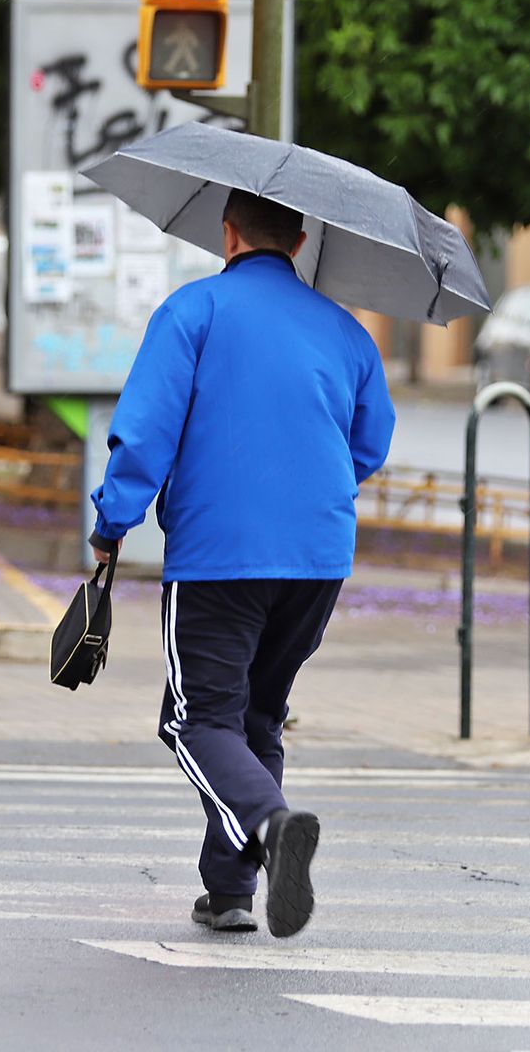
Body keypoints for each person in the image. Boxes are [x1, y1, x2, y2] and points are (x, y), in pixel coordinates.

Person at [89, 190, 396, 938]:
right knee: (254, 716)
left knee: (197, 724)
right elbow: (370, 443)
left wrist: (111, 523)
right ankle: (229, 889)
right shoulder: (347, 333)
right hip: (318, 559)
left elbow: (145, 431)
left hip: (218, 557)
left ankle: (270, 824)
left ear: (227, 233)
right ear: (298, 240)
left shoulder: (194, 313)